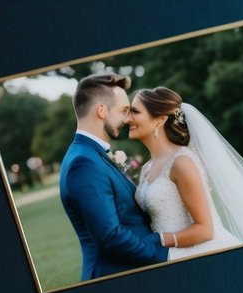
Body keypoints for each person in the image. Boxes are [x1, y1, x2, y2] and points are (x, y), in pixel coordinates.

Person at [128, 86, 243, 261]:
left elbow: (206, 230)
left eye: (135, 111)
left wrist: (159, 240)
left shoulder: (181, 162)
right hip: (164, 255)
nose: (127, 119)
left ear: (159, 120)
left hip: (200, 254)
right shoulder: (147, 168)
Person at [59, 73, 169, 281]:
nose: (128, 119)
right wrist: (162, 253)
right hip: (115, 275)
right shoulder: (84, 163)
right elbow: (110, 236)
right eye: (124, 111)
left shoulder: (91, 154)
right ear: (102, 111)